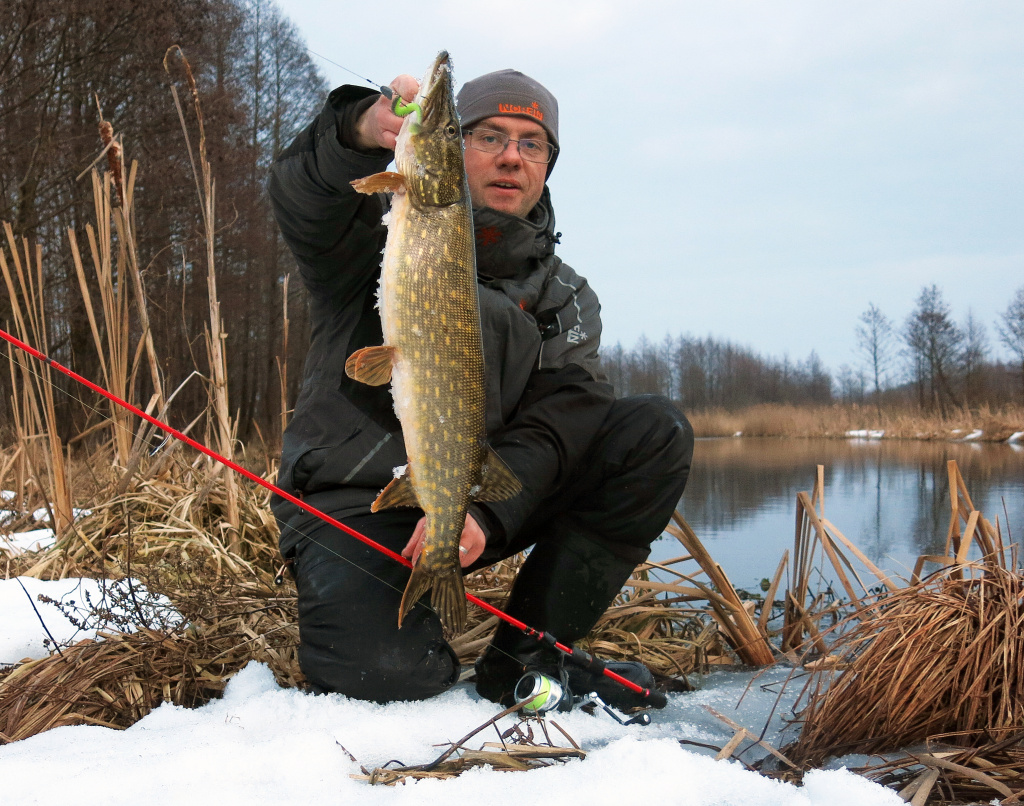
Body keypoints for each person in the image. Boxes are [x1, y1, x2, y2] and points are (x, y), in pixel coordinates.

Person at [268, 67, 694, 708]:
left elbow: (562, 419)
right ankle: (407, 632)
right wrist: (358, 127)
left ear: (549, 164)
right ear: (451, 147)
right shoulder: (377, 234)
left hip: (472, 496)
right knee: (385, 681)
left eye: (532, 143)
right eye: (489, 135)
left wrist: (486, 515)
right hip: (353, 504)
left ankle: (526, 653)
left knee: (652, 432)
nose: (510, 157)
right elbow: (301, 193)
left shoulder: (564, 295)